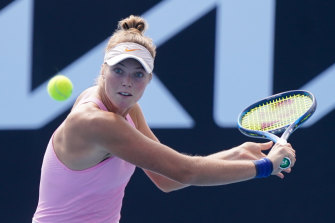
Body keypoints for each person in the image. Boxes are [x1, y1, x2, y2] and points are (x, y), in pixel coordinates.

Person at [32, 15, 296, 223]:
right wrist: (264, 167)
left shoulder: (127, 109)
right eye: (118, 70)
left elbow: (167, 180)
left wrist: (235, 153)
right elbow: (185, 170)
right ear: (103, 70)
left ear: (149, 80)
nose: (126, 82)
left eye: (138, 74)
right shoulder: (98, 122)